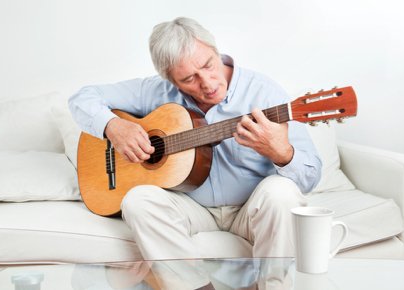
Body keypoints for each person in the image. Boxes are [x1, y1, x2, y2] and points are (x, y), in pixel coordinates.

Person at [69, 17, 320, 289]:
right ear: (170, 79)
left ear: (215, 51)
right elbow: (82, 98)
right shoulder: (153, 91)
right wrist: (112, 126)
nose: (207, 83)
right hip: (192, 207)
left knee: (280, 192)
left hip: (251, 209)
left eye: (208, 65)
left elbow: (309, 178)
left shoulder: (264, 92)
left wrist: (281, 152)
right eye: (189, 78)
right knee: (138, 199)